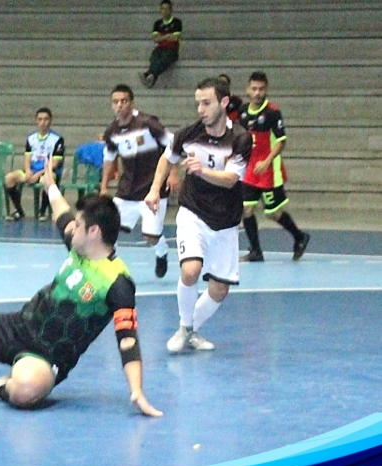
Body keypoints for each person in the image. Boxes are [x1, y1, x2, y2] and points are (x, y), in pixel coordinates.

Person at [0, 157, 163, 417]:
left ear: (93, 232)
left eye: (79, 225)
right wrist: (50, 185)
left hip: (48, 356)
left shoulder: (118, 283)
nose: (72, 228)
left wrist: (136, 389)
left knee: (25, 391)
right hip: (19, 326)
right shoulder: (79, 247)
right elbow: (62, 214)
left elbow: (128, 340)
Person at [145, 77, 252, 353]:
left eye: (206, 103)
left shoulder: (240, 138)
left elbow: (230, 179)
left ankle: (189, 330)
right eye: (198, 104)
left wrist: (202, 171)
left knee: (219, 290)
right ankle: (184, 326)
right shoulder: (187, 134)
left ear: (224, 103)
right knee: (190, 270)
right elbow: (166, 159)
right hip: (192, 212)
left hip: (225, 220)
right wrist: (155, 190)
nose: (200, 109)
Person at [101, 84, 178, 279]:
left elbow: (172, 145)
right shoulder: (112, 131)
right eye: (116, 102)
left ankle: (161, 252)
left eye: (124, 101)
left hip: (153, 189)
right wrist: (103, 187)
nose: (120, 105)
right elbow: (109, 159)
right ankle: (112, 269)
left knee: (151, 236)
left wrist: (173, 173)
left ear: (132, 103)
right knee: (109, 228)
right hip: (127, 190)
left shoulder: (147, 123)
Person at [237, 71, 310, 262]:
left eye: (261, 89)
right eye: (254, 89)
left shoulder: (272, 112)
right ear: (248, 89)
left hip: (269, 170)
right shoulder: (243, 112)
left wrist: (267, 161)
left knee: (273, 213)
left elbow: (281, 141)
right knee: (246, 209)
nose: (257, 93)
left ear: (266, 89)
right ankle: (256, 251)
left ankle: (300, 237)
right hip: (249, 170)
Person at [4, 107, 64, 221]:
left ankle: (42, 212)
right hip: (32, 170)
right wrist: (28, 171)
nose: (43, 122)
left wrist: (38, 174)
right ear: (36, 121)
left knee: (46, 180)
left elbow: (55, 163)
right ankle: (19, 211)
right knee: (9, 178)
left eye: (46, 119)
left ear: (50, 120)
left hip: (48, 171)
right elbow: (27, 157)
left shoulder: (57, 139)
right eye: (40, 119)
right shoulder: (31, 138)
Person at [139, 1, 182, 89]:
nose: (165, 11)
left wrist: (162, 37)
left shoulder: (177, 22)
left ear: (171, 10)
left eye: (167, 9)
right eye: (163, 9)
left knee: (166, 57)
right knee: (154, 56)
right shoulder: (157, 24)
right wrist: (167, 36)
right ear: (160, 10)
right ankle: (153, 77)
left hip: (172, 49)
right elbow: (155, 39)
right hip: (160, 48)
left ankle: (148, 74)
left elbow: (175, 38)